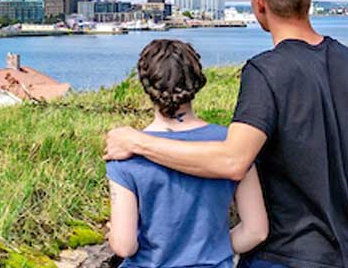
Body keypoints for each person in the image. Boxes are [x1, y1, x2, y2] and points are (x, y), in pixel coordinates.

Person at [105, 0, 348, 268]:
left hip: (285, 256)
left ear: (258, 3)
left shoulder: (266, 71)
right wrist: (346, 222)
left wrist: (136, 142)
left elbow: (233, 160)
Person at [107, 39, 268, 267]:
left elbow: (124, 246)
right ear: (196, 82)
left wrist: (113, 233)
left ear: (146, 84)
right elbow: (256, 231)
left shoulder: (125, 155)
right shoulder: (232, 145)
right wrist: (215, 249)